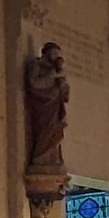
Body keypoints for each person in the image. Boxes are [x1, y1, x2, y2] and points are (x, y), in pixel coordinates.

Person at [24, 42, 69, 170]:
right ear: (47, 52)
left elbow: (65, 94)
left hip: (55, 106)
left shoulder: (55, 69)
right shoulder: (36, 65)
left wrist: (63, 83)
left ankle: (51, 158)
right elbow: (33, 83)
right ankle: (40, 157)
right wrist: (51, 76)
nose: (56, 56)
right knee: (46, 130)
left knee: (56, 131)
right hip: (42, 106)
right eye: (54, 53)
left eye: (58, 54)